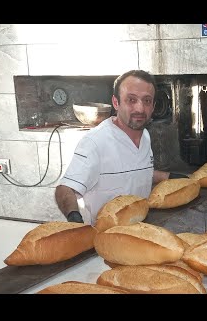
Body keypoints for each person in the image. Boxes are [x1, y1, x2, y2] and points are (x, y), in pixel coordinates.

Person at [55, 69, 187, 225]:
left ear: (153, 107)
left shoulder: (144, 135)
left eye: (147, 101)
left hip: (142, 230)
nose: (140, 109)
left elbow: (136, 172)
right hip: (109, 238)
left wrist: (171, 177)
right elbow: (65, 189)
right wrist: (75, 220)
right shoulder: (95, 142)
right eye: (131, 100)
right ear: (116, 103)